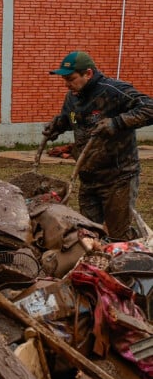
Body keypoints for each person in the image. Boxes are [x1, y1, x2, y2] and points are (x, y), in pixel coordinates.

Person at [42, 50, 153, 240]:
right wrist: (58, 125)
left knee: (119, 236)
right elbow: (72, 119)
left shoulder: (113, 90)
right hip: (88, 177)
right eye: (64, 79)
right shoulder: (73, 96)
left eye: (71, 78)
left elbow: (149, 108)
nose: (66, 84)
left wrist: (117, 122)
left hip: (118, 177)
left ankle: (131, 263)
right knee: (87, 236)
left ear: (88, 74)